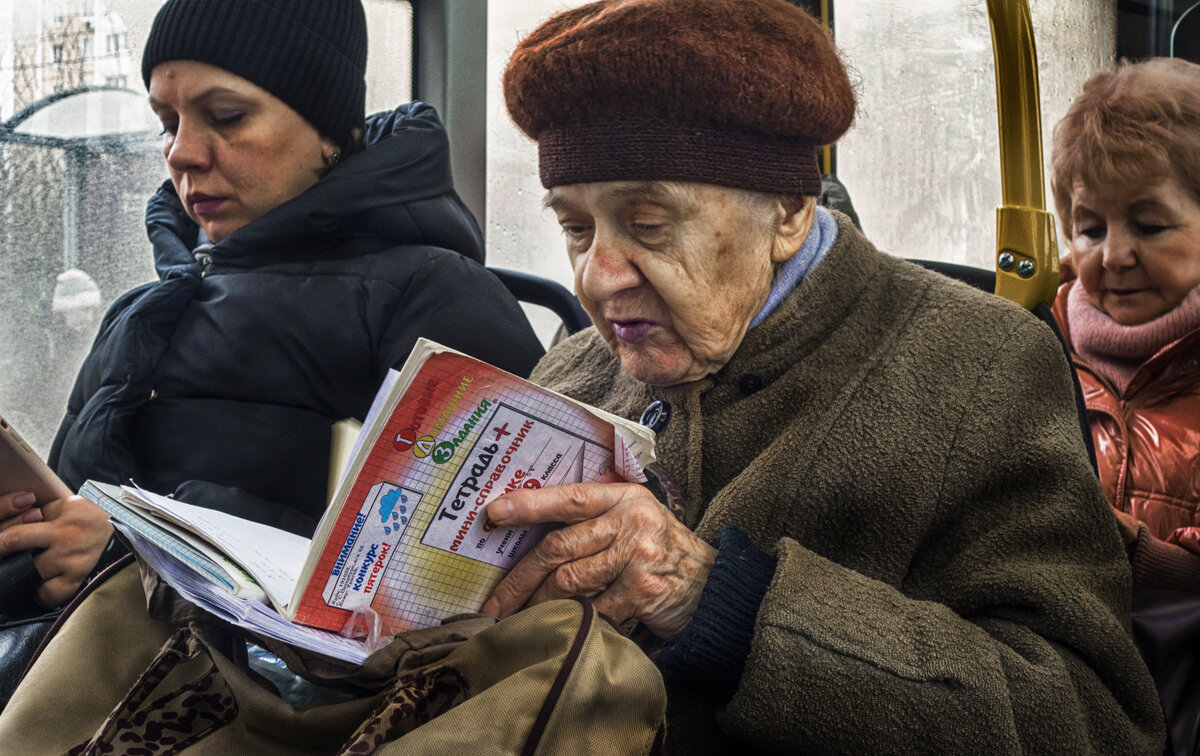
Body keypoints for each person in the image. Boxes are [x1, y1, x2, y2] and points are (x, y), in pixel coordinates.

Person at [481, 0, 1166, 751]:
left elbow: (1087, 720)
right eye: (575, 228)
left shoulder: (977, 367)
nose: (598, 278)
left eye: (649, 227)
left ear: (788, 213)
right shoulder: (571, 373)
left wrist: (721, 601)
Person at [0, 0, 543, 616]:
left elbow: (449, 585)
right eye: (167, 123)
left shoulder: (431, 297)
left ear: (330, 132)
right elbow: (67, 522)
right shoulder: (140, 312)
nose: (181, 153)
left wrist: (136, 551)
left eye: (225, 116)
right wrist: (34, 544)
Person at [1048, 57, 1200, 756]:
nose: (1112, 255)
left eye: (1149, 225)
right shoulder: (1032, 357)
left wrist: (1145, 561)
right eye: (1090, 229)